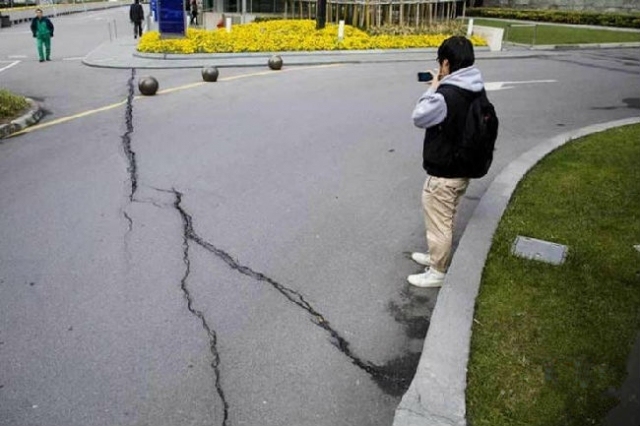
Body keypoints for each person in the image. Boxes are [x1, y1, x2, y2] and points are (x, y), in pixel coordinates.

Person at [408, 36, 485, 288]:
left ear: (446, 63)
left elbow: (419, 117)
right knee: (445, 217)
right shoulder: (475, 87)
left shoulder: (447, 95)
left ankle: (437, 271)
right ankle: (434, 256)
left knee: (439, 222)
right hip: (462, 168)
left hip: (445, 172)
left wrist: (433, 87)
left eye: (440, 63)